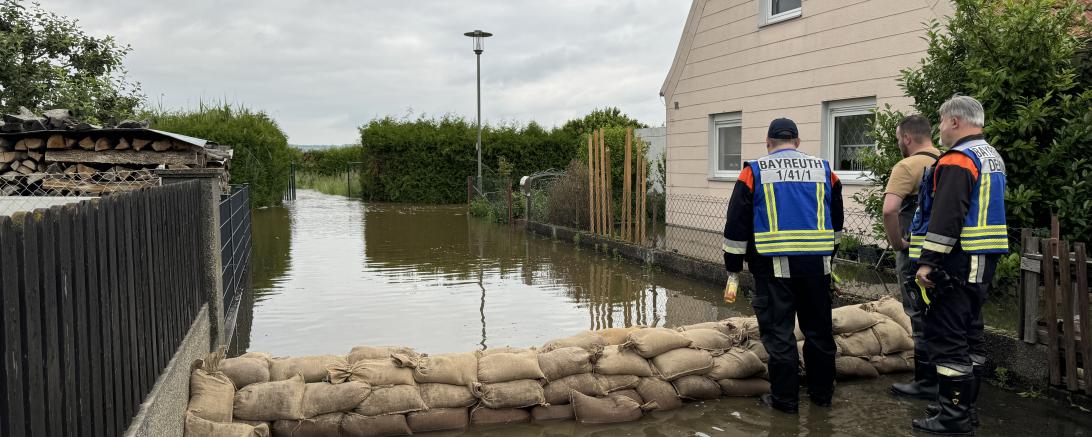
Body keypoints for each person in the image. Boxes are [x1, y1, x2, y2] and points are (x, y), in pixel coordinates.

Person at [722, 118, 844, 413]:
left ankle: (785, 403)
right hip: (817, 265)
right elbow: (837, 220)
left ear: (768, 142)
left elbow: (737, 224)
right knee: (819, 333)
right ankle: (822, 396)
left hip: (772, 266)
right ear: (798, 142)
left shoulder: (754, 172)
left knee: (780, 336)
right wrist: (831, 252)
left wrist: (733, 267)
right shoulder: (825, 171)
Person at [910, 95, 1007, 435]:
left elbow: (948, 214)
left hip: (957, 260)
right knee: (970, 335)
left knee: (948, 337)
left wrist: (927, 262)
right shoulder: (990, 154)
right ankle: (964, 410)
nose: (939, 129)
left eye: (940, 122)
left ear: (954, 121)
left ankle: (953, 419)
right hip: (981, 259)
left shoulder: (959, 159)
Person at [884, 115, 940, 400]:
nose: (899, 144)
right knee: (942, 316)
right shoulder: (947, 161)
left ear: (907, 137)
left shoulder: (907, 166)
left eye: (898, 139)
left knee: (918, 316)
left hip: (914, 256)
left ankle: (925, 382)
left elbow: (890, 210)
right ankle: (946, 380)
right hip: (944, 255)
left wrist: (897, 243)